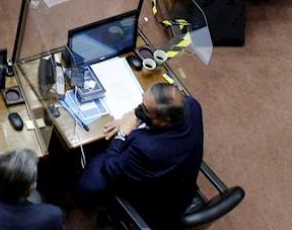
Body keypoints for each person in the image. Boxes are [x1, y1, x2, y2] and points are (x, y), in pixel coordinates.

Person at [78, 83, 204, 230]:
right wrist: (135, 116)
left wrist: (123, 132)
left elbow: (110, 167)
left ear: (165, 120)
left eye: (144, 109)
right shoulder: (192, 106)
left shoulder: (146, 149)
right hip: (179, 185)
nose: (139, 109)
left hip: (156, 204)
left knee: (90, 180)